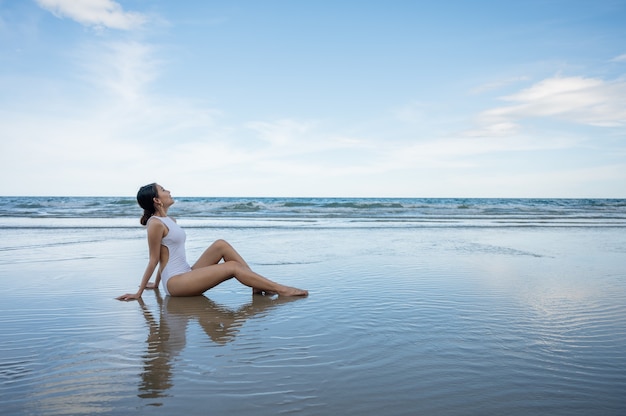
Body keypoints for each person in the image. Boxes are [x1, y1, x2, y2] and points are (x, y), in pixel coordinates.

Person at [117, 183, 308, 301]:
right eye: (164, 189)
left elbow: (165, 255)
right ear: (157, 200)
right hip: (176, 284)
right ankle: (281, 289)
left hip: (184, 274)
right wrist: (139, 292)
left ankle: (257, 286)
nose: (169, 191)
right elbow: (154, 259)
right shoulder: (155, 224)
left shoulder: (170, 221)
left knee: (221, 244)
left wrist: (156, 284)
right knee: (232, 267)